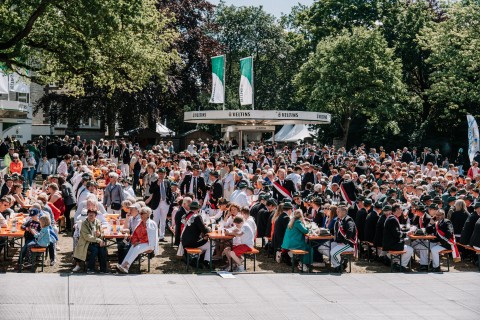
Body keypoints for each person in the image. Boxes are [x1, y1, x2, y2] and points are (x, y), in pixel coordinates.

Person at [116, 206, 159, 273]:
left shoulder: (152, 224)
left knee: (137, 248)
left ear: (147, 214)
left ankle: (126, 266)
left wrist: (139, 242)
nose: (140, 215)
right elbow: (136, 234)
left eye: (142, 213)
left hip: (150, 244)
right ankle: (124, 266)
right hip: (141, 242)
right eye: (140, 213)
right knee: (132, 246)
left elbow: (151, 237)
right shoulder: (140, 223)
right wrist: (135, 241)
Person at [73, 209, 107, 273]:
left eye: (92, 215)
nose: (91, 216)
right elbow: (87, 237)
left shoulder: (98, 222)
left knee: (103, 249)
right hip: (86, 243)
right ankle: (90, 268)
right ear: (87, 215)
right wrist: (99, 240)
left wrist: (99, 234)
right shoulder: (84, 223)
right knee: (95, 250)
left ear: (95, 216)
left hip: (95, 241)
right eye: (89, 215)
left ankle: (103, 269)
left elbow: (102, 232)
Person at [180, 200, 211, 268]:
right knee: (211, 245)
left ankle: (197, 258)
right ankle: (206, 262)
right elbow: (204, 230)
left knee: (205, 242)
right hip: (191, 243)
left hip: (185, 241)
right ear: (198, 208)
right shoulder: (197, 216)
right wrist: (209, 228)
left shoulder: (189, 216)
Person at [146, 168, 172, 242]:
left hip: (165, 203)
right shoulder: (154, 182)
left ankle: (161, 236)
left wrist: (169, 201)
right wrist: (157, 185)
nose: (161, 175)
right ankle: (154, 236)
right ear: (158, 174)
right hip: (156, 203)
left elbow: (170, 192)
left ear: (165, 174)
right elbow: (151, 191)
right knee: (155, 220)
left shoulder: (167, 182)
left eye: (162, 173)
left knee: (163, 220)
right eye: (160, 173)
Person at [384, 204, 413, 271]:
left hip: (390, 242)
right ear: (397, 210)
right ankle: (401, 266)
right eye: (401, 210)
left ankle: (396, 263)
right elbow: (396, 234)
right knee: (410, 249)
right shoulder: (393, 219)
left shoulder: (391, 217)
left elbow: (395, 232)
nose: (402, 211)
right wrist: (407, 234)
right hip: (391, 244)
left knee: (407, 244)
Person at [331, 205, 357, 272]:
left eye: (338, 211)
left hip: (348, 244)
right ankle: (340, 263)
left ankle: (338, 266)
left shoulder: (348, 220)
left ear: (344, 212)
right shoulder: (339, 220)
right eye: (337, 211)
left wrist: (344, 242)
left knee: (333, 252)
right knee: (329, 247)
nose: (337, 213)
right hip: (340, 242)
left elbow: (350, 231)